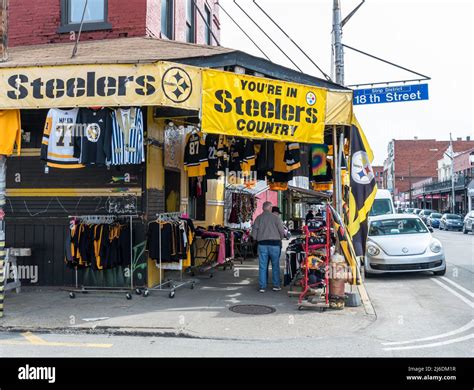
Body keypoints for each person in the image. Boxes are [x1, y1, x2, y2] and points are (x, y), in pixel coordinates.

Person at [252, 201, 286, 293]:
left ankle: (262, 286)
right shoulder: (276, 218)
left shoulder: (258, 218)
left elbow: (254, 232)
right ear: (270, 208)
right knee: (275, 265)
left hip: (262, 244)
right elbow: (281, 231)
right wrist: (280, 238)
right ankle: (276, 285)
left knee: (263, 266)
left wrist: (255, 239)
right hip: (275, 244)